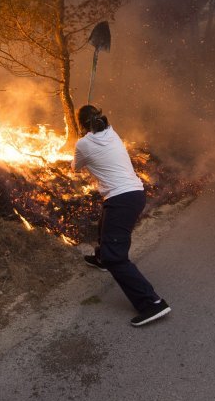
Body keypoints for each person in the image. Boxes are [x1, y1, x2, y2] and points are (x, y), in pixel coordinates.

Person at [71, 104, 170, 327]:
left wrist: (78, 141)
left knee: (116, 256)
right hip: (133, 194)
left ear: (82, 125)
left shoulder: (83, 144)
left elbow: (75, 167)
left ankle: (152, 303)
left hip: (122, 200)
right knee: (105, 223)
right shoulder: (112, 132)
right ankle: (100, 259)